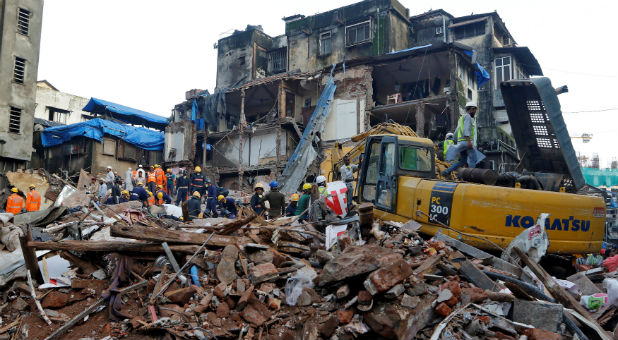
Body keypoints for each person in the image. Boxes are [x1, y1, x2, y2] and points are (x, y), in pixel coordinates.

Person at [442, 101, 480, 176]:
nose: (475, 112)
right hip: (466, 142)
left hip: (461, 143)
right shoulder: (468, 117)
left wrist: (455, 141)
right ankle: (472, 176)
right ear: (471, 109)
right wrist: (469, 141)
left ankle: (447, 171)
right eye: (475, 110)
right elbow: (466, 129)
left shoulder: (461, 118)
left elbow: (456, 131)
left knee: (462, 161)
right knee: (473, 159)